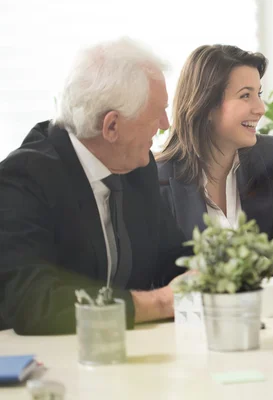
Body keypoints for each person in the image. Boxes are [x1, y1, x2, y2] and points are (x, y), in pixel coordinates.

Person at [0, 38, 188, 335]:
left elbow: (174, 256)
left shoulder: (137, 165)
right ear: (111, 126)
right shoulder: (25, 178)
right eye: (157, 112)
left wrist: (211, 273)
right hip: (51, 363)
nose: (165, 123)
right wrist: (160, 303)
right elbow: (32, 300)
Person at [156, 45, 273, 275]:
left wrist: (245, 264)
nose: (260, 109)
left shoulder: (268, 157)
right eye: (245, 96)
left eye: (258, 94)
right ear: (206, 105)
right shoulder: (158, 178)